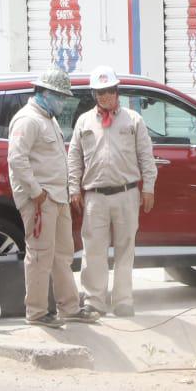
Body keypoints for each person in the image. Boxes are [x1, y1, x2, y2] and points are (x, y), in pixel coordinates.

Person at [8, 68, 96, 326]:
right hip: (40, 199)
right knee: (39, 256)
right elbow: (16, 159)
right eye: (60, 96)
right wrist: (35, 191)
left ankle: (69, 307)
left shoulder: (49, 118)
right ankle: (36, 312)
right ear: (45, 93)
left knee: (62, 255)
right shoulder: (28, 120)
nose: (63, 102)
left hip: (56, 197)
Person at [68, 65, 157, 318]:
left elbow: (146, 156)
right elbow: (73, 157)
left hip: (126, 193)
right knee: (93, 250)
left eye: (109, 90)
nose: (105, 96)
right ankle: (94, 301)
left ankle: (123, 301)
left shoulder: (133, 120)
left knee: (125, 249)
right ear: (94, 95)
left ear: (117, 91)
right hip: (94, 196)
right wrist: (74, 188)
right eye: (100, 92)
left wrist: (148, 188)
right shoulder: (84, 121)